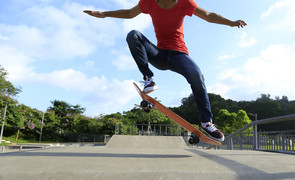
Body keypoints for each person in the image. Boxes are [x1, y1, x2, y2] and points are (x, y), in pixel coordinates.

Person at [84, 0, 247, 142]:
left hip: (179, 55)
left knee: (197, 76)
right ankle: (148, 78)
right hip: (159, 55)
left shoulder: (185, 2)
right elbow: (129, 13)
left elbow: (208, 15)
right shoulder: (149, 2)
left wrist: (231, 23)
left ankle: (206, 123)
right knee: (133, 35)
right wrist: (103, 14)